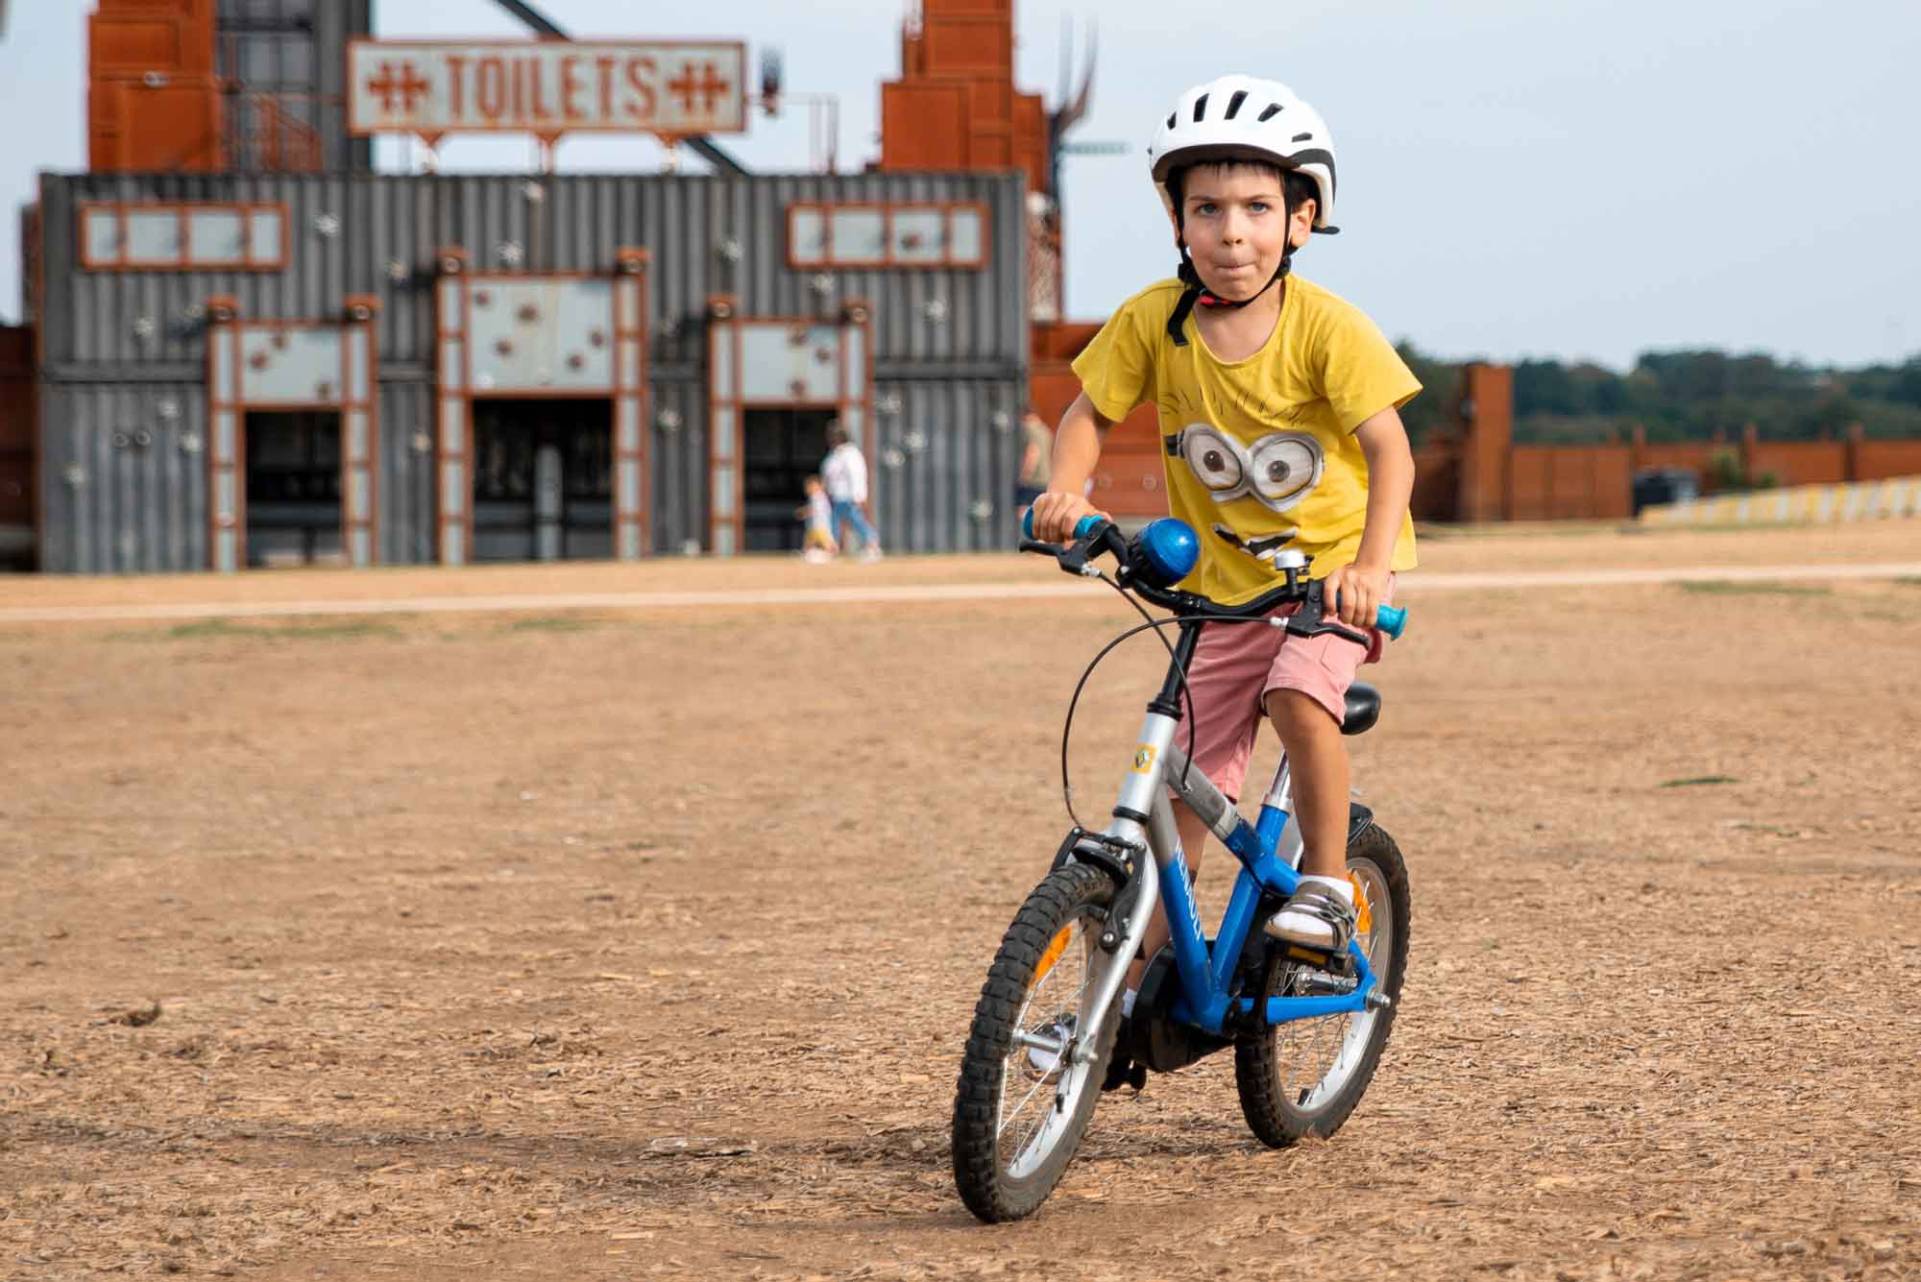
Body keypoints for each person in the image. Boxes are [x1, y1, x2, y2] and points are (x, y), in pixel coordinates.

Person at [1027, 74, 1420, 1008]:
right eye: (1205, 208)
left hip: (1325, 581)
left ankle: (1324, 884)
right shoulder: (1154, 321)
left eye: (1255, 207)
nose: (1230, 232)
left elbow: (1388, 451)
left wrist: (1365, 568)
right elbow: (1085, 415)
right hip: (1217, 586)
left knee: (1295, 692)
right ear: (1176, 221)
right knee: (1182, 777)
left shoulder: (1327, 329)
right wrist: (1063, 491)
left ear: (1300, 219)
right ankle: (1142, 975)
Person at [821, 423, 883, 562]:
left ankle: (872, 544)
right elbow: (829, 473)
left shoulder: (851, 453)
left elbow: (857, 474)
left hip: (848, 495)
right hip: (835, 495)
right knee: (834, 522)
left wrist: (859, 495)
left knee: (855, 520)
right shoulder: (835, 454)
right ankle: (833, 548)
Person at [1014, 407, 1053, 512]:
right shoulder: (1045, 430)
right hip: (1045, 478)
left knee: (1023, 511)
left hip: (1033, 480)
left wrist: (1024, 475)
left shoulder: (1030, 429)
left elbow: (1032, 452)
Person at [796, 474, 837, 563]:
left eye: (811, 486)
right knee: (809, 540)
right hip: (814, 526)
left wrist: (804, 512)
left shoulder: (819, 497)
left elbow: (814, 510)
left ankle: (831, 551)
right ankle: (806, 553)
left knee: (823, 540)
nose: (809, 489)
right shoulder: (815, 497)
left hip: (820, 525)